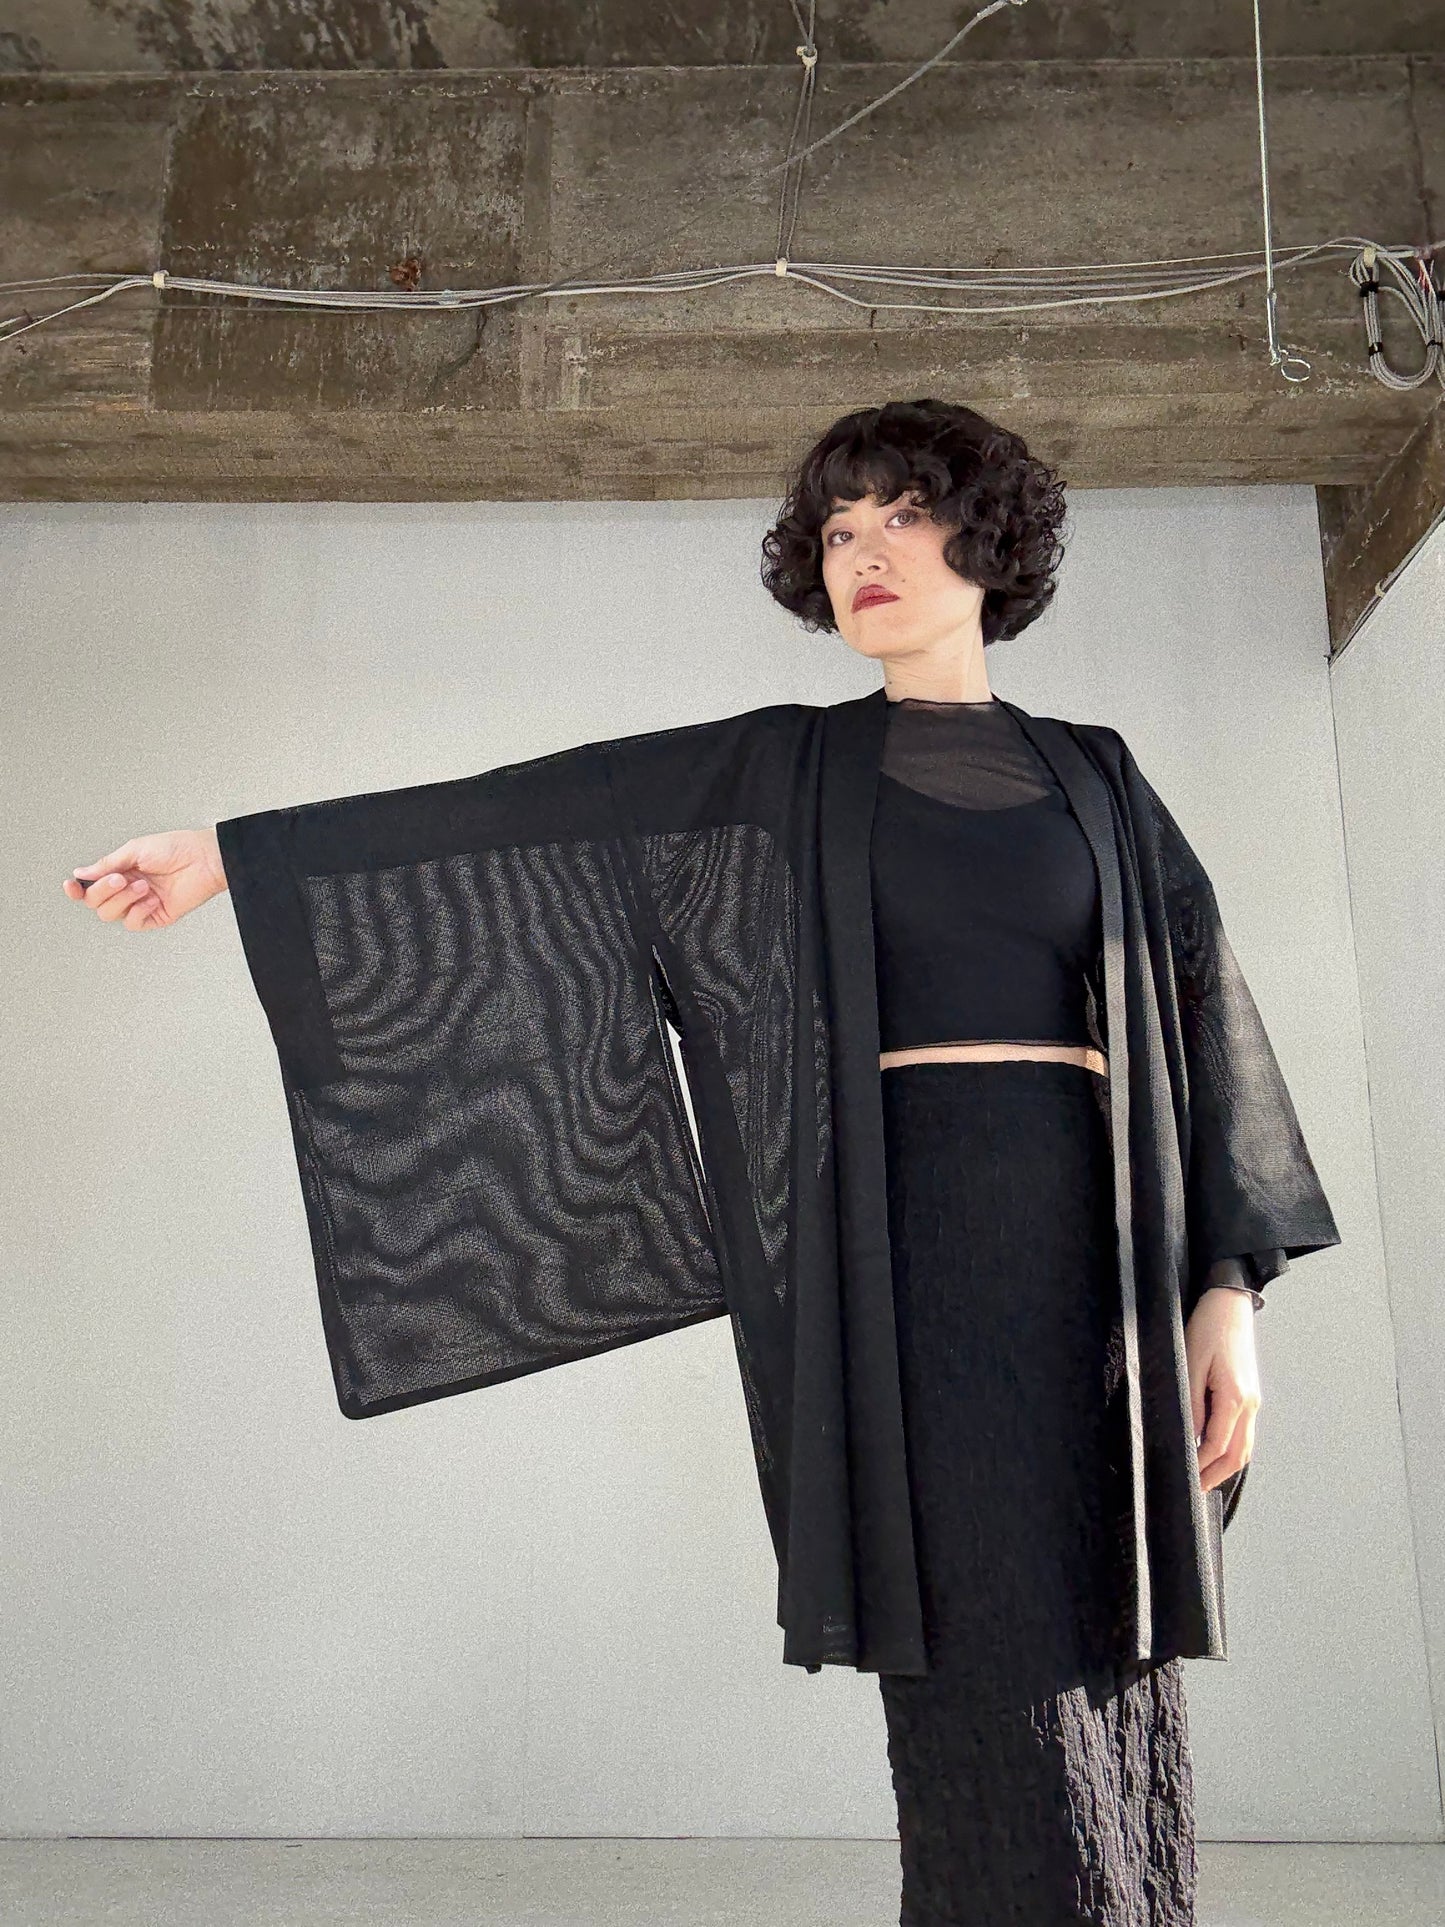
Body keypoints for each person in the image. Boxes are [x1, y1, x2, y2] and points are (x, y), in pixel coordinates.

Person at [65, 399, 1336, 1927]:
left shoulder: (1098, 777)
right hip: (903, 1260)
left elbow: (1202, 1023)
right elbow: (531, 813)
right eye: (838, 529)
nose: (862, 552)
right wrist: (230, 852)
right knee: (972, 1640)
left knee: (1103, 1616)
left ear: (988, 539)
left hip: (1098, 1258)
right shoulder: (785, 770)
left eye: (901, 513)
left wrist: (1225, 1298)